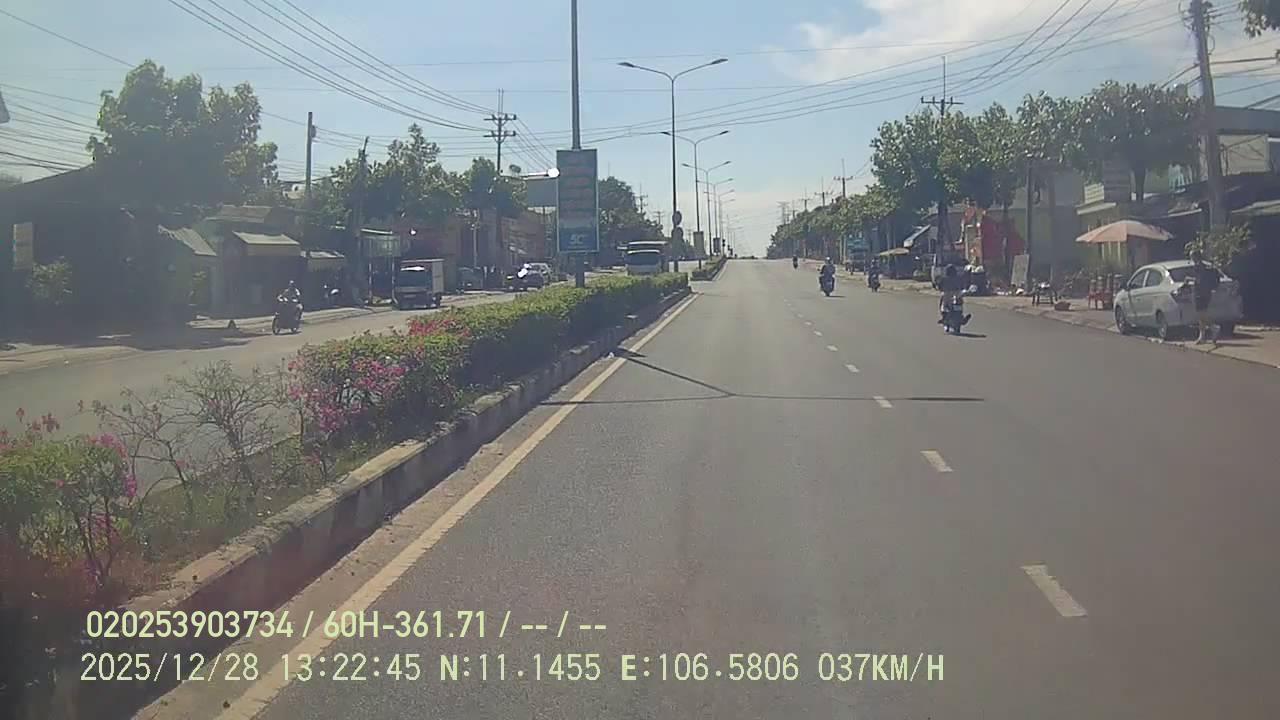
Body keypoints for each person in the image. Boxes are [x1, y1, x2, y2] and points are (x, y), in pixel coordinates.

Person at [1190, 249, 1220, 345]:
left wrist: (1189, 279)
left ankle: (1213, 327)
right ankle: (1202, 336)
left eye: (1192, 256)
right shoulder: (1205, 266)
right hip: (1206, 292)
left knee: (1201, 314)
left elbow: (1199, 280)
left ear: (1195, 257)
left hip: (1200, 293)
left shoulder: (1198, 267)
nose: (1191, 258)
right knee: (1202, 314)